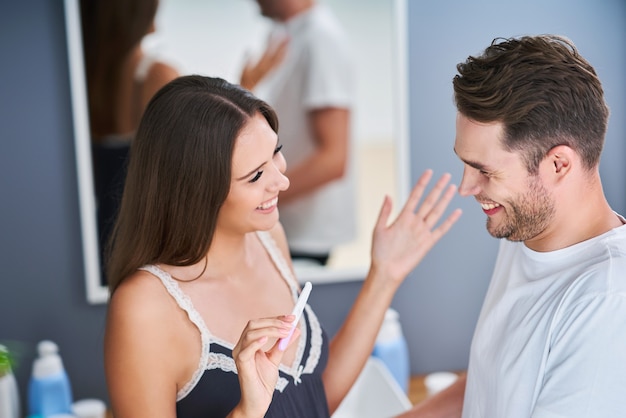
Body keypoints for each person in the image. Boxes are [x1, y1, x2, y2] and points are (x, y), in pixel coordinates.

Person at [103, 75, 462, 417]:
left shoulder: (268, 240)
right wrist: (248, 412)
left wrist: (384, 275)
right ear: (196, 191)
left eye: (277, 152)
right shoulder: (145, 308)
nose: (283, 180)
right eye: (256, 175)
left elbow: (313, 399)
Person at [399, 35, 626, 418]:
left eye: (485, 170)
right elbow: (491, 382)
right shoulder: (525, 231)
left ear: (558, 165)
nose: (465, 187)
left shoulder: (606, 302)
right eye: (466, 164)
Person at [245, 0, 357, 265]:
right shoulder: (283, 34)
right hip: (277, 223)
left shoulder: (321, 41)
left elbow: (333, 160)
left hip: (303, 235)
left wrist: (250, 199)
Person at [80, 0, 180, 282]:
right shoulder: (155, 75)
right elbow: (195, 153)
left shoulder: (85, 78)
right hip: (148, 230)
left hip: (102, 229)